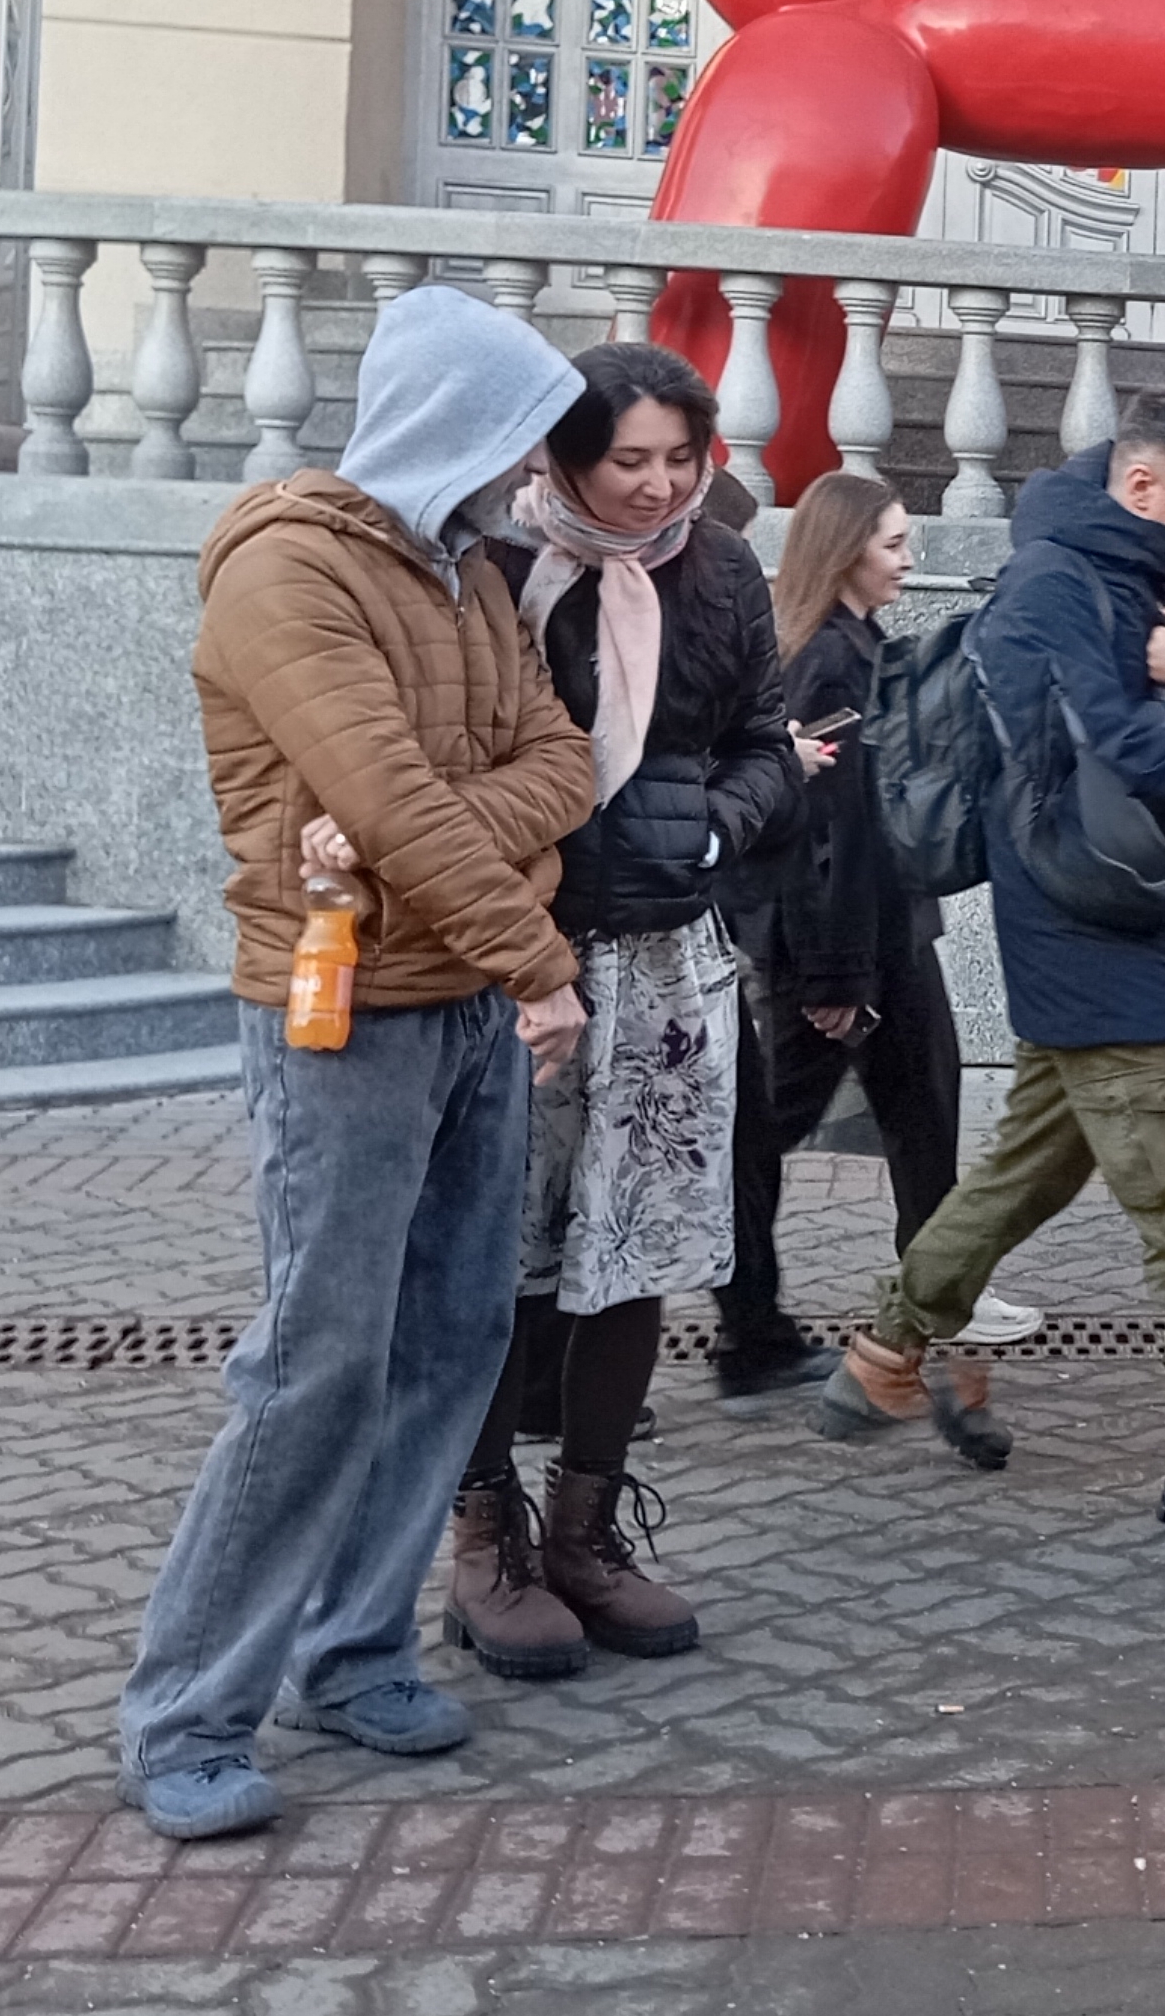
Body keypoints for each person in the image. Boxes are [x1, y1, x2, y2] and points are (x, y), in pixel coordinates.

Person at [116, 286, 595, 1840]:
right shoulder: (286, 569)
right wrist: (531, 950)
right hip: (344, 1016)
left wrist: (425, 841)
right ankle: (187, 1709)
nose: (537, 472)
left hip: (458, 1003)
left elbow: (560, 763)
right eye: (520, 434)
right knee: (315, 1363)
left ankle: (355, 1646)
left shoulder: (469, 575)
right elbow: (389, 796)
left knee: (453, 1338)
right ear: (453, 422)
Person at [817, 388, 1165, 1543]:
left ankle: (884, 1351)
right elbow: (1145, 754)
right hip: (1079, 926)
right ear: (1143, 483)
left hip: (1149, 922)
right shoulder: (1052, 586)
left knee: (1028, 1170)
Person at [442, 345, 796, 1679]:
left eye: (680, 459)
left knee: (636, 1250)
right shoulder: (494, 568)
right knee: (495, 1251)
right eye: (627, 460)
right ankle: (486, 1535)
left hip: (667, 963)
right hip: (514, 950)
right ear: (558, 455)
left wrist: (718, 827)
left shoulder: (724, 571)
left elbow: (767, 737)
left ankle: (590, 1529)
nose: (658, 487)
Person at [711, 473, 1034, 1407]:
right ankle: (750, 1330)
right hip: (843, 939)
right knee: (764, 1130)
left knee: (923, 1102)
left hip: (879, 927)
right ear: (846, 548)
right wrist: (835, 970)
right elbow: (828, 832)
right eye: (893, 542)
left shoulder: (850, 645)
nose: (908, 557)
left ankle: (934, 1293)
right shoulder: (826, 662)